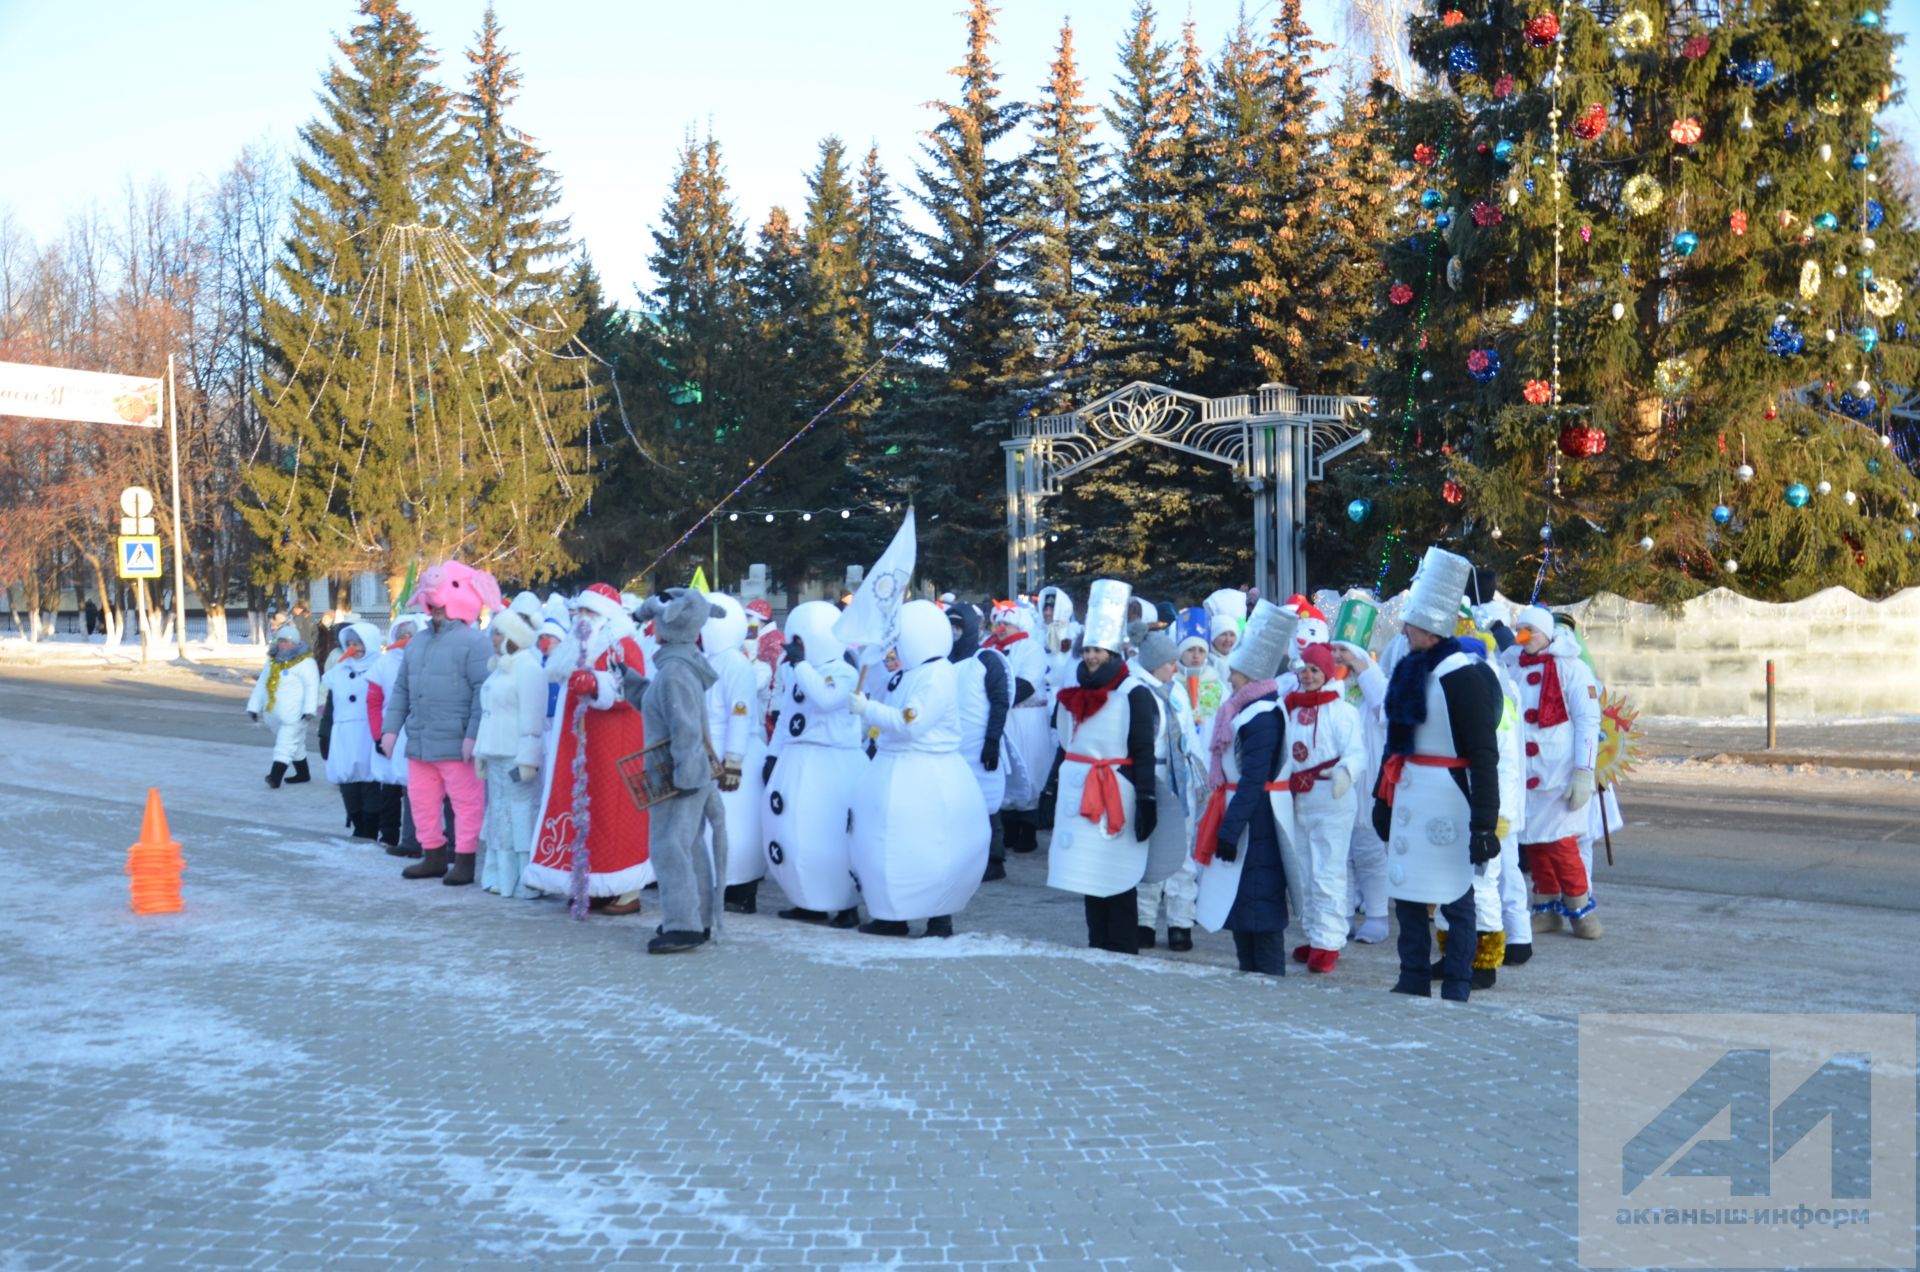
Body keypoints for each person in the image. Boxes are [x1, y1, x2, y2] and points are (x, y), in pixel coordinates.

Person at [1370, 547, 1504, 1002]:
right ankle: (1411, 976)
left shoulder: (1464, 678)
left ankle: (1458, 983)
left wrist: (1485, 823)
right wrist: (1380, 798)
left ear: (1428, 628)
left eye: (1410, 622)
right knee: (1407, 893)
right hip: (1409, 792)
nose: (1403, 629)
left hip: (1449, 796)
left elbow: (1485, 755)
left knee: (1455, 894)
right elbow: (1395, 743)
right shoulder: (1409, 670)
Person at [848, 599, 990, 938]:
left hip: (927, 773)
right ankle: (891, 913)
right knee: (890, 846)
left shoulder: (937, 675)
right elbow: (885, 690)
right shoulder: (911, 673)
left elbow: (909, 723)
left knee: (931, 847)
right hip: (894, 767)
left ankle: (938, 916)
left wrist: (868, 710)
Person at [522, 584, 654, 909]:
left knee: (614, 816)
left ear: (606, 617)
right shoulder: (577, 646)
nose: (582, 618)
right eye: (579, 612)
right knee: (585, 815)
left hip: (614, 747)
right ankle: (590, 884)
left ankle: (625, 888)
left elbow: (631, 686)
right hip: (580, 748)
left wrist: (598, 685)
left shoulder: (622, 644)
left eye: (590, 613)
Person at [1046, 579, 1159, 955]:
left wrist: (1146, 798)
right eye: (1089, 650)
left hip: (1118, 793)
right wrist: (1052, 788)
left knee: (1118, 873)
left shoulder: (1135, 693)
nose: (1092, 657)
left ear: (1114, 653)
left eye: (1100, 651)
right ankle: (1097, 944)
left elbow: (1143, 748)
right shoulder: (1072, 695)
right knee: (1089, 873)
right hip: (1081, 793)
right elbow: (1066, 745)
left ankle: (1123, 947)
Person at [1191, 601, 1298, 975]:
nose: (1231, 678)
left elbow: (1253, 779)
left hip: (1256, 820)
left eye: (1235, 672)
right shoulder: (1245, 708)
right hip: (1245, 813)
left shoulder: (1262, 716)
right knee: (1244, 907)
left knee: (1259, 909)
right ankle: (1249, 976)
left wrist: (1230, 829)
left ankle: (1267, 981)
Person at [379, 562, 498, 886]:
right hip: (420, 741)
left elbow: (482, 694)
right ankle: (432, 855)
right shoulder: (417, 642)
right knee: (421, 801)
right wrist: (390, 729)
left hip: (457, 741)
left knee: (465, 804)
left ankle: (464, 860)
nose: (437, 611)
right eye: (435, 605)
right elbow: (401, 689)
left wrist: (472, 736)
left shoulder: (476, 643)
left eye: (443, 605)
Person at [623, 589, 730, 953]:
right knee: (689, 846)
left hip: (678, 774)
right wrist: (630, 681)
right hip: (686, 771)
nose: (651, 626)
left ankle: (683, 924)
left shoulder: (674, 671)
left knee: (670, 847)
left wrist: (685, 777)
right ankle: (693, 918)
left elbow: (684, 728)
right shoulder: (677, 666)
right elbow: (662, 708)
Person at [1503, 604, 1604, 939]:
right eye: (1521, 630)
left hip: (1558, 775)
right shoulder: (1511, 664)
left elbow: (1588, 721)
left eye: (1530, 630)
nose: (1523, 636)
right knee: (1534, 844)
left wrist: (1584, 771)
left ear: (1546, 634)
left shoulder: (1572, 669)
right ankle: (1545, 908)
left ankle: (1580, 909)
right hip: (1525, 774)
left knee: (1562, 845)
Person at [762, 601, 864, 928]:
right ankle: (808, 901)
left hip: (833, 762)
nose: (795, 648)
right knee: (800, 835)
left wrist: (801, 665)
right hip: (799, 760)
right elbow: (787, 717)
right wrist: (773, 755)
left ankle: (845, 904)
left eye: (801, 641)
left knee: (834, 835)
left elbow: (826, 699)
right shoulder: (798, 671)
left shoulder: (845, 671)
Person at [1281, 642, 1365, 973]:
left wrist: (1345, 773)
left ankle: (1329, 941)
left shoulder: (1342, 711)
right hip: (1297, 799)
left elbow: (1357, 752)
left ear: (1327, 672)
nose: (1309, 675)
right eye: (1304, 669)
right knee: (1303, 870)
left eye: (1315, 669)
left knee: (1328, 869)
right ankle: (1315, 933)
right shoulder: (1290, 708)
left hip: (1330, 797)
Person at [1128, 631, 1200, 952]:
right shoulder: (1138, 691)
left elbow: (1190, 737)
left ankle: (1180, 922)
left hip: (1180, 777)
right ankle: (1144, 921)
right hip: (1153, 774)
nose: (1176, 667)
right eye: (1171, 662)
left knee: (1182, 852)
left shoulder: (1178, 692)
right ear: (1156, 663)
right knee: (1150, 850)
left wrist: (1199, 777)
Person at [474, 607, 547, 899]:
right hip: (495, 753)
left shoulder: (529, 668)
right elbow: (487, 713)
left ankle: (525, 881)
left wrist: (528, 759)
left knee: (519, 817)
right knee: (499, 816)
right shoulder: (500, 668)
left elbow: (533, 721)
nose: (493, 638)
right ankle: (499, 878)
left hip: (516, 755)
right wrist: (481, 751)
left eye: (499, 633)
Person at [702, 594, 768, 915]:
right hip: (711, 752)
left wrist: (733, 761)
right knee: (716, 824)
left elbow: (739, 714)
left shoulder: (735, 663)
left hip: (732, 754)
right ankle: (721, 883)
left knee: (736, 824)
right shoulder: (709, 659)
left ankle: (742, 889)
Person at [948, 603, 1011, 881]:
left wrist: (992, 740)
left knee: (988, 803)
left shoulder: (987, 659)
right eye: (950, 626)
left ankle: (994, 860)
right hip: (953, 748)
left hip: (981, 745)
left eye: (959, 627)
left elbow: (1000, 702)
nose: (953, 633)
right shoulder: (942, 662)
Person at [988, 600, 1051, 856]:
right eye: (998, 623)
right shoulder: (990, 648)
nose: (1001, 628)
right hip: (1004, 718)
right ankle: (1010, 827)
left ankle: (1028, 830)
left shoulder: (1030, 648)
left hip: (1026, 717)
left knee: (1029, 766)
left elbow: (1027, 682)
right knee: (1007, 769)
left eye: (1006, 623)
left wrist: (999, 699)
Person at [366, 615, 427, 855]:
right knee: (390, 789)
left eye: (410, 635)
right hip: (389, 730)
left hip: (418, 730)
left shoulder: (426, 661)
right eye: (401, 635)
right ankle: (390, 834)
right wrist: (378, 735)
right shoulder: (384, 663)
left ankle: (421, 839)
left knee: (416, 789)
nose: (405, 640)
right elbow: (373, 702)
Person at [320, 621, 383, 836]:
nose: (355, 648)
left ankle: (371, 828)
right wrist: (325, 733)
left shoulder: (382, 667)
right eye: (350, 644)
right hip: (344, 735)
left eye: (359, 643)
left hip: (368, 733)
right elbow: (331, 705)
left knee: (370, 782)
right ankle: (357, 822)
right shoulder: (338, 670)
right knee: (347, 781)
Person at [246, 624, 321, 788]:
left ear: (295, 643)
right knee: (297, 743)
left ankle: (275, 777)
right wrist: (254, 707)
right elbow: (262, 685)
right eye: (281, 641)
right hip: (274, 713)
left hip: (295, 714)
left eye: (288, 642)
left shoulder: (306, 662)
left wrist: (309, 710)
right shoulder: (272, 662)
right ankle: (303, 773)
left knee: (285, 744)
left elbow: (312, 687)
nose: (284, 645)